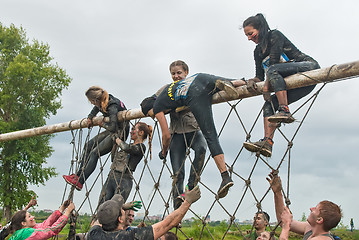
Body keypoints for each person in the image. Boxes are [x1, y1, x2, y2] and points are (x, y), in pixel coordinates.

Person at [144, 73, 246, 198]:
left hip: (194, 94)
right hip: (199, 78)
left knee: (210, 135)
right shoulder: (169, 88)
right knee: (234, 81)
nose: (154, 117)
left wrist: (164, 151)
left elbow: (166, 136)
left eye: (151, 115)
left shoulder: (157, 106)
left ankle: (225, 176)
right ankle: (241, 82)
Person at [241, 13, 320, 157]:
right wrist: (253, 81)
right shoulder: (257, 51)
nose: (249, 38)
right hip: (287, 82)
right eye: (247, 35)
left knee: (273, 69)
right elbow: (260, 75)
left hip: (308, 69)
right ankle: (267, 142)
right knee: (268, 105)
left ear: (260, 28)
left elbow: (274, 62)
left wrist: (266, 87)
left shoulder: (275, 36)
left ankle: (285, 110)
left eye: (251, 34)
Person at [63, 86, 130, 191]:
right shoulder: (103, 101)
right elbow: (96, 109)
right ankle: (78, 175)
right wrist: (90, 117)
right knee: (88, 145)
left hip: (120, 132)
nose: (92, 104)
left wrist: (102, 124)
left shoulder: (112, 105)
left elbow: (113, 127)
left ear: (95, 100)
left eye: (91, 102)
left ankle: (81, 181)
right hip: (112, 130)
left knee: (95, 153)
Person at [165, 60, 207, 209]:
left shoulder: (194, 86)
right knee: (177, 173)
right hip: (176, 134)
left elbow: (209, 91)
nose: (176, 76)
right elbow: (154, 101)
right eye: (173, 74)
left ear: (186, 73)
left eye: (179, 73)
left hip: (193, 130)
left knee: (201, 149)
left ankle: (191, 185)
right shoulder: (168, 90)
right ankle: (177, 209)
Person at [87, 186, 201, 240]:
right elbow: (167, 224)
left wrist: (119, 207)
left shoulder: (93, 234)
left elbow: (100, 219)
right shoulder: (129, 237)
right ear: (120, 219)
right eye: (123, 212)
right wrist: (187, 202)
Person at [267, 171, 342, 240]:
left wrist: (286, 226)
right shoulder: (310, 228)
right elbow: (282, 219)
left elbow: (286, 223)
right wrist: (278, 193)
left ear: (319, 220)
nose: (311, 209)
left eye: (315, 209)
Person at [98, 121, 152, 204]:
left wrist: (118, 140)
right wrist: (115, 145)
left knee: (114, 207)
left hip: (124, 179)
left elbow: (127, 148)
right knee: (102, 205)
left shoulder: (141, 147)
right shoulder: (128, 145)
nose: (131, 132)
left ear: (141, 133)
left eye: (134, 129)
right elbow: (114, 158)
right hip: (112, 176)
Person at [8, 199, 75, 240]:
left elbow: (45, 225)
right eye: (29, 217)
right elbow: (52, 230)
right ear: (23, 223)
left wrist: (61, 209)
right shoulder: (26, 232)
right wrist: (67, 212)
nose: (33, 217)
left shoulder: (18, 233)